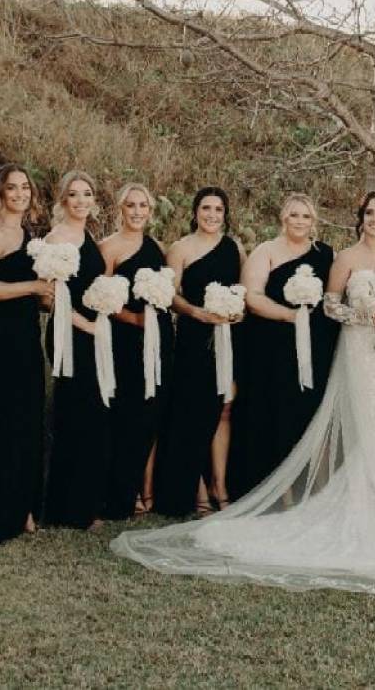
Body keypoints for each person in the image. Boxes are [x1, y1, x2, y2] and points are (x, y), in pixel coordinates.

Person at [110, 191, 375, 600]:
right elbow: (333, 304)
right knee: (363, 424)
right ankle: (352, 499)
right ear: (359, 218)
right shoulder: (343, 258)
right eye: (369, 213)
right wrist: (362, 314)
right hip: (360, 351)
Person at [228, 193, 338, 497]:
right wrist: (289, 316)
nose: (299, 221)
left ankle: (314, 487)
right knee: (275, 410)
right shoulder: (266, 251)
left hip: (316, 345)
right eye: (294, 215)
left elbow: (335, 296)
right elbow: (252, 296)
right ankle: (277, 489)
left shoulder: (325, 253)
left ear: (313, 221)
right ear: (283, 218)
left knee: (309, 409)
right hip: (271, 346)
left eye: (305, 216)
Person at [0, 164, 52, 545]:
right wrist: (32, 285)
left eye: (25, 188)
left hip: (28, 330)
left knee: (30, 417)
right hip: (4, 335)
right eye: (12, 188)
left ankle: (26, 507)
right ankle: (4, 511)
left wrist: (45, 297)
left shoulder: (28, 233)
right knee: (10, 418)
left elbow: (28, 290)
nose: (20, 194)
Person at [153, 187, 245, 517]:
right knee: (192, 414)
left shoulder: (234, 247)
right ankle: (198, 489)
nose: (211, 214)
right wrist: (196, 313)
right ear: (195, 212)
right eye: (206, 208)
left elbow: (243, 289)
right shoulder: (180, 248)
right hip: (194, 337)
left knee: (224, 410)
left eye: (218, 209)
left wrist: (237, 311)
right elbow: (170, 294)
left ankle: (221, 484)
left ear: (225, 213)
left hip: (228, 338)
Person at [99, 183, 174, 520]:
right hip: (126, 340)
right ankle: (121, 494)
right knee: (127, 416)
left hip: (160, 340)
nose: (138, 211)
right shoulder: (108, 248)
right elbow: (98, 297)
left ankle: (146, 489)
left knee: (151, 416)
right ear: (120, 209)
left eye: (143, 205)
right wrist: (132, 318)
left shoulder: (157, 246)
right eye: (131, 205)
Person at [43, 170, 110, 529]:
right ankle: (69, 510)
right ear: (63, 200)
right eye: (74, 195)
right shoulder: (56, 239)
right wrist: (88, 326)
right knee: (76, 417)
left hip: (91, 332)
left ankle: (78, 504)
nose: (81, 201)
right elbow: (53, 296)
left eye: (87, 194)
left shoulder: (87, 235)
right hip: (70, 335)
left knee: (90, 417)